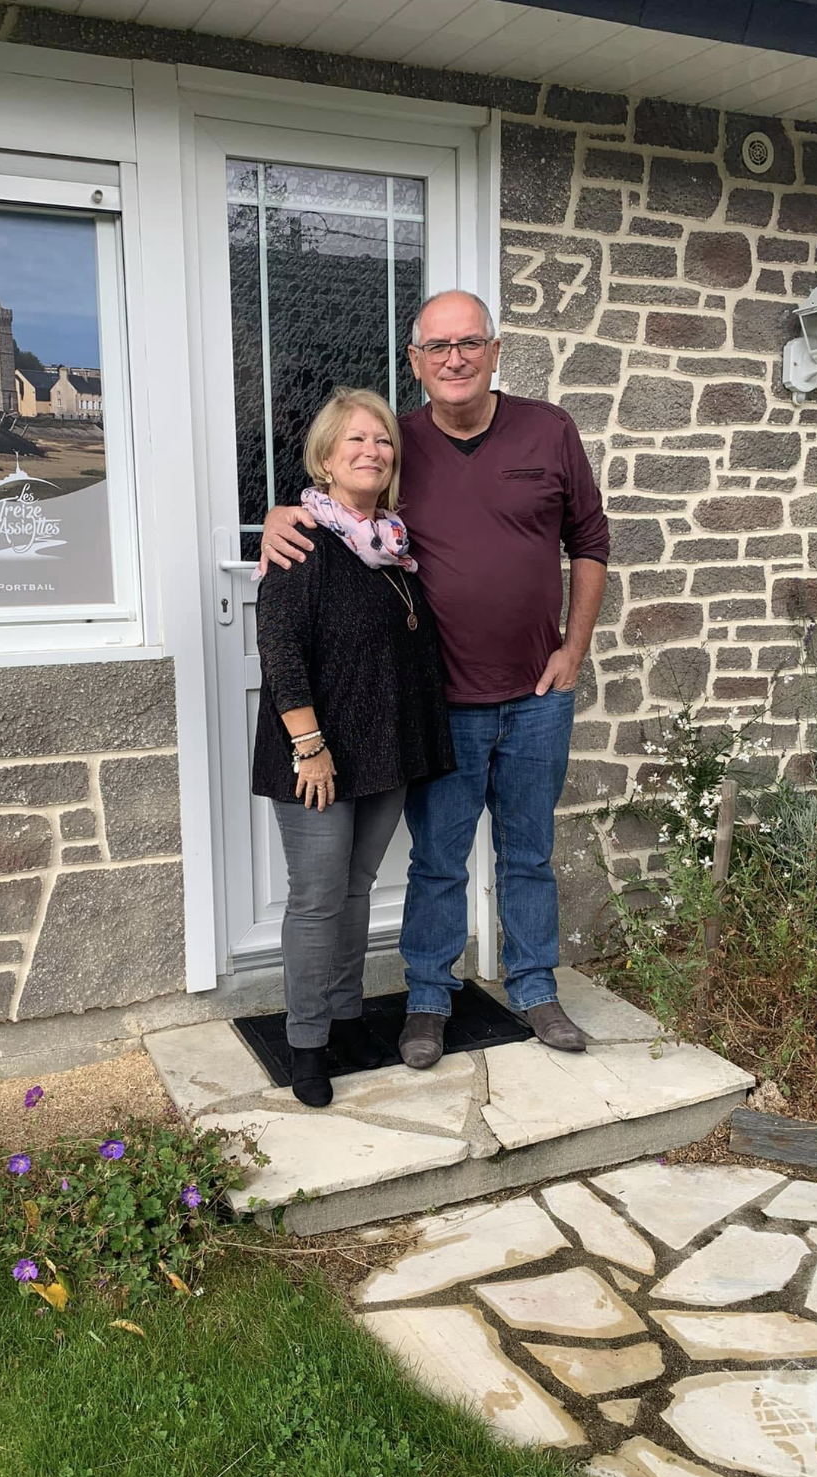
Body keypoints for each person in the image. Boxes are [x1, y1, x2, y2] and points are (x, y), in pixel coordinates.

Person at [261, 290, 610, 1071]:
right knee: (438, 861)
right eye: (438, 347)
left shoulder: (550, 429)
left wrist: (574, 649)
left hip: (538, 696)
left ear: (494, 351)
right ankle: (428, 996)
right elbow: (336, 495)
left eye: (470, 343)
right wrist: (277, 518)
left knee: (529, 852)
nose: (456, 359)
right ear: (416, 362)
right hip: (442, 704)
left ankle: (535, 987)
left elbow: (590, 539)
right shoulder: (397, 443)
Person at [252, 387, 454, 1108]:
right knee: (316, 899)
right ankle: (306, 1042)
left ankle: (344, 1015)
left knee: (356, 888)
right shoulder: (302, 539)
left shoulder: (392, 546)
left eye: (383, 440)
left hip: (382, 751)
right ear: (326, 458)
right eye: (356, 440)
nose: (373, 451)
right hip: (316, 755)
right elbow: (281, 651)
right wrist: (310, 747)